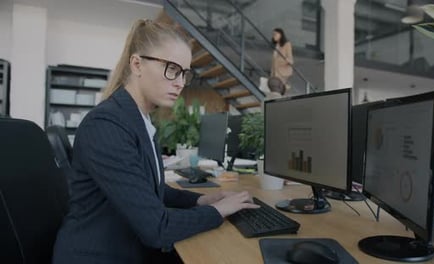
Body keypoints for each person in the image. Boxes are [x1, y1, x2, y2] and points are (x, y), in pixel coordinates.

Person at [52, 19, 259, 264]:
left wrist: (201, 200)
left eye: (184, 73)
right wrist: (218, 210)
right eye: (172, 69)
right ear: (137, 64)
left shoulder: (138, 119)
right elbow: (157, 228)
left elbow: (148, 188)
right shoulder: (107, 125)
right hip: (99, 256)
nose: (180, 82)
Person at [270, 28, 293, 92]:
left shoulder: (287, 44)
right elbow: (274, 60)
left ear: (281, 35)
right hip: (275, 73)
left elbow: (290, 59)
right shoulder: (276, 45)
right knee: (275, 90)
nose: (273, 36)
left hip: (282, 71)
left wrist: (285, 60)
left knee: (278, 91)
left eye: (275, 34)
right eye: (273, 34)